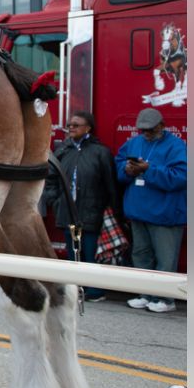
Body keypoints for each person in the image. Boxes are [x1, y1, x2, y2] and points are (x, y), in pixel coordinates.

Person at [116, 107, 187, 313]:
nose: (145, 133)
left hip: (165, 214)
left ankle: (166, 299)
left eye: (150, 129)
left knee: (165, 259)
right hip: (138, 211)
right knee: (141, 255)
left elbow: (181, 176)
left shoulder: (176, 146)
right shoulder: (134, 142)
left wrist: (148, 169)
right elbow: (119, 163)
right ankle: (144, 294)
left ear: (162, 126)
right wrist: (126, 170)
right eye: (142, 130)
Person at [44, 110, 117, 301]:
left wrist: (111, 209)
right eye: (69, 125)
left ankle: (94, 290)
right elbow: (50, 179)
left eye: (76, 125)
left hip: (92, 211)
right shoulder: (62, 151)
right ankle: (75, 289)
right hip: (67, 211)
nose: (71, 128)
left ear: (88, 128)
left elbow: (110, 183)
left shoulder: (100, 152)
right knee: (72, 253)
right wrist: (55, 200)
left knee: (90, 252)